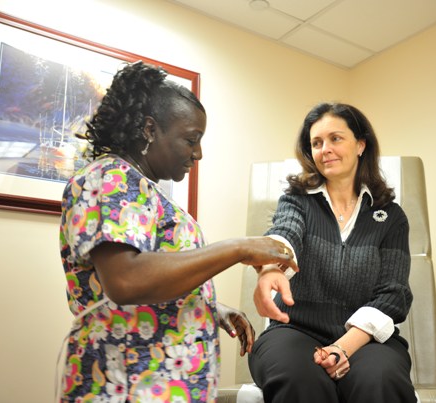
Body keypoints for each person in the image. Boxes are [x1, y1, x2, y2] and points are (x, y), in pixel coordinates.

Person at [57, 61, 297, 402]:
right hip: (126, 386)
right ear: (150, 129)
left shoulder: (142, 189)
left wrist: (210, 307)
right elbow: (125, 280)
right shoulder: (111, 177)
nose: (198, 153)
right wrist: (238, 248)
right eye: (191, 139)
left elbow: (153, 277)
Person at [248, 103, 416, 402]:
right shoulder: (296, 202)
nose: (325, 149)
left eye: (335, 138)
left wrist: (343, 348)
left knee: (380, 379)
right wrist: (272, 267)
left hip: (365, 338)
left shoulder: (390, 217)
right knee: (298, 379)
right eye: (316, 143)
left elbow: (393, 293)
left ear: (361, 144)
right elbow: (285, 234)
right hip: (295, 331)